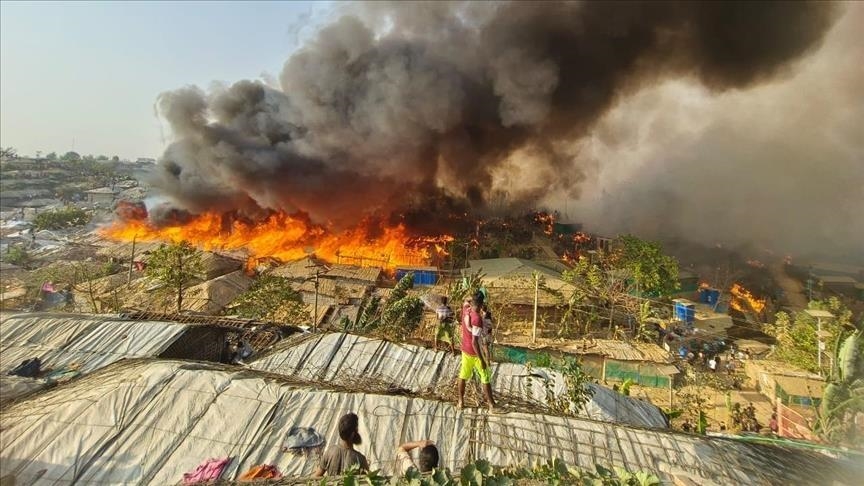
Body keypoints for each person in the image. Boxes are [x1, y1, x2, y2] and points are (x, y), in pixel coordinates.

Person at [456, 294, 497, 412]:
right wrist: (482, 360)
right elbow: (475, 342)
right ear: (481, 304)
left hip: (465, 350)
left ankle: (460, 402)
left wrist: (473, 298)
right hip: (475, 352)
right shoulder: (477, 319)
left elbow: (466, 299)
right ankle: (491, 405)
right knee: (485, 377)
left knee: (463, 375)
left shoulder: (466, 309)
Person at [314, 413, 369, 477]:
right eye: (357, 430)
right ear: (352, 434)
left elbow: (316, 477)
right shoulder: (360, 459)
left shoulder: (330, 452)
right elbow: (368, 479)